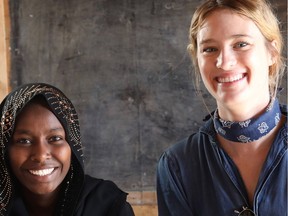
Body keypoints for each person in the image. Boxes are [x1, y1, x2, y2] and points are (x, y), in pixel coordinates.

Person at [156, 0, 287, 215]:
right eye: (210, 49)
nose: (224, 62)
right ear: (197, 59)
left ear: (272, 52)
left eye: (241, 44)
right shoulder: (176, 165)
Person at [0, 83, 135, 216]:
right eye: (24, 141)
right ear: (5, 149)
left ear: (72, 144)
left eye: (55, 138)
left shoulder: (108, 206)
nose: (41, 155)